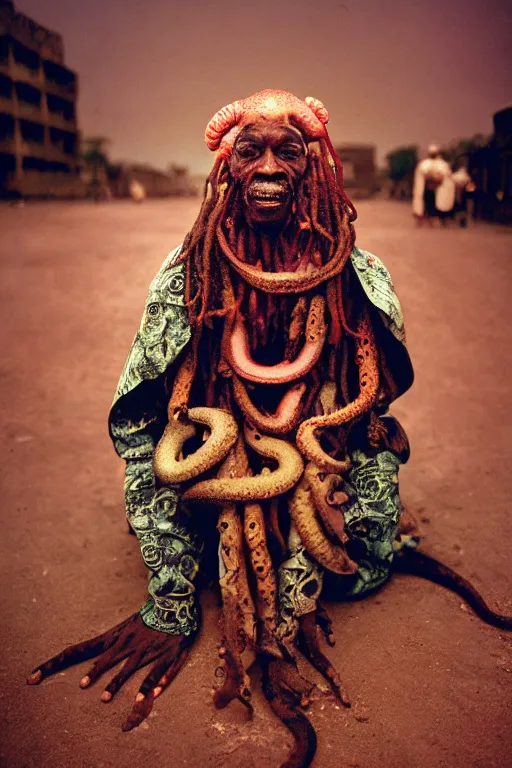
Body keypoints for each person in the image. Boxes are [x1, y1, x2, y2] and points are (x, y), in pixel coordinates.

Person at [27, 91, 510, 767]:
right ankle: (202, 587)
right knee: (174, 517)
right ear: (227, 171)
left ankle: (307, 571)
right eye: (250, 150)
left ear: (314, 169)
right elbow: (138, 428)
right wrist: (170, 596)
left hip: (316, 461)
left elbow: (375, 408)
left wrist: (339, 450)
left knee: (363, 555)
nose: (270, 166)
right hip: (212, 465)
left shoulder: (358, 276)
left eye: (289, 149)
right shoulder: (185, 277)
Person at [412, 143, 455, 226]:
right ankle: (425, 220)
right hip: (428, 190)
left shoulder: (443, 164)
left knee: (441, 205)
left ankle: (442, 220)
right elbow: (421, 176)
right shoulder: (423, 164)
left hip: (439, 190)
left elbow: (446, 175)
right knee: (427, 205)